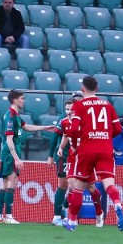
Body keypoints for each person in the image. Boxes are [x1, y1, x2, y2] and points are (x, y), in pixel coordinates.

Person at [64, 76, 123, 232]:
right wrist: (103, 136)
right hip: (105, 149)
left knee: (78, 188)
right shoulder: (107, 105)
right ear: (97, 88)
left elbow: (74, 128)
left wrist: (75, 138)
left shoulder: (79, 105)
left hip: (87, 149)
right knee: (109, 184)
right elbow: (118, 129)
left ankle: (71, 221)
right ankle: (117, 203)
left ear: (82, 88)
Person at [0, 90, 56, 224]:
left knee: (6, 183)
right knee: (12, 180)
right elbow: (9, 139)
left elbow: (27, 127)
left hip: (9, 153)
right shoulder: (11, 116)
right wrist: (16, 158)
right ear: (15, 100)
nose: (24, 101)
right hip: (10, 153)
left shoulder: (15, 115)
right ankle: (9, 216)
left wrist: (45, 127)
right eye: (22, 98)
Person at [56, 99, 106, 229]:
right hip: (72, 159)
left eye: (72, 109)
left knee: (91, 189)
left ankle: (99, 213)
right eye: (67, 109)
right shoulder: (64, 122)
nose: (69, 112)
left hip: (86, 159)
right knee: (72, 186)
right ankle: (72, 217)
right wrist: (61, 148)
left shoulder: (85, 121)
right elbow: (65, 136)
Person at [47, 92, 83, 226]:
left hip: (79, 157)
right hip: (65, 155)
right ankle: (57, 217)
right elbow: (56, 137)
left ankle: (66, 209)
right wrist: (51, 156)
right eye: (67, 109)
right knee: (63, 185)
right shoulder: (63, 119)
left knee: (75, 187)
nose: (69, 111)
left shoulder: (84, 118)